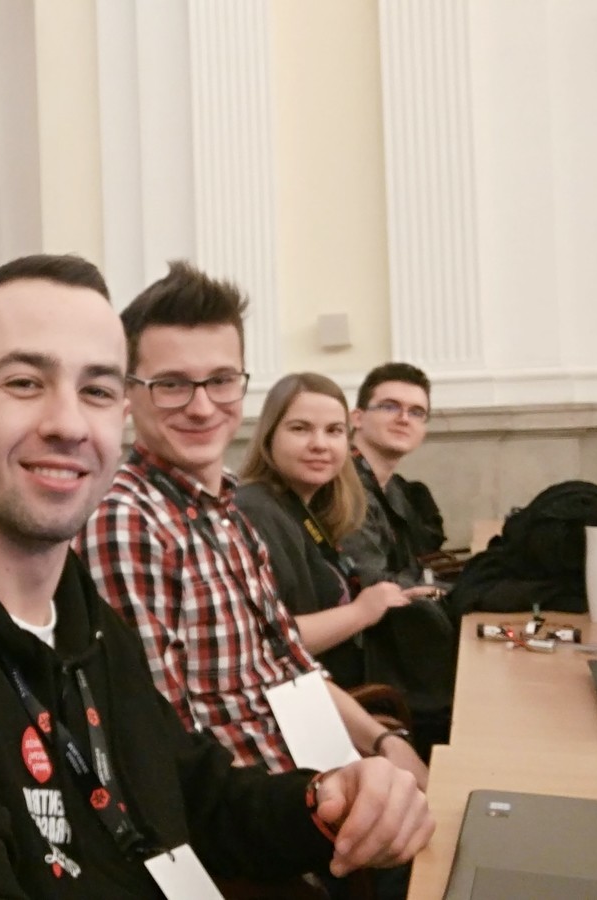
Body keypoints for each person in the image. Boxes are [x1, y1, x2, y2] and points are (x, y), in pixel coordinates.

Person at [0, 254, 432, 897]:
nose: (68, 424)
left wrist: (328, 799)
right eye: (24, 382)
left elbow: (195, 792)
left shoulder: (84, 618)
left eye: (97, 391)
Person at [76, 262, 429, 788]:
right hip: (270, 808)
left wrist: (384, 744)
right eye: (171, 384)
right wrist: (326, 802)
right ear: (129, 394)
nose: (202, 407)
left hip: (318, 774)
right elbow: (169, 750)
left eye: (221, 381)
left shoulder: (228, 508)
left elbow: (291, 665)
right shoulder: (127, 521)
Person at [236, 373, 436, 689]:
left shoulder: (307, 507)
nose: (319, 444)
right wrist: (363, 611)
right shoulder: (256, 510)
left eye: (334, 431)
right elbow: (260, 644)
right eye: (300, 428)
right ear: (269, 436)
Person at [341, 362, 447, 588]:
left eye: (416, 412)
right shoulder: (344, 484)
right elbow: (371, 581)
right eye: (390, 407)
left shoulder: (393, 488)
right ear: (357, 418)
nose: (404, 418)